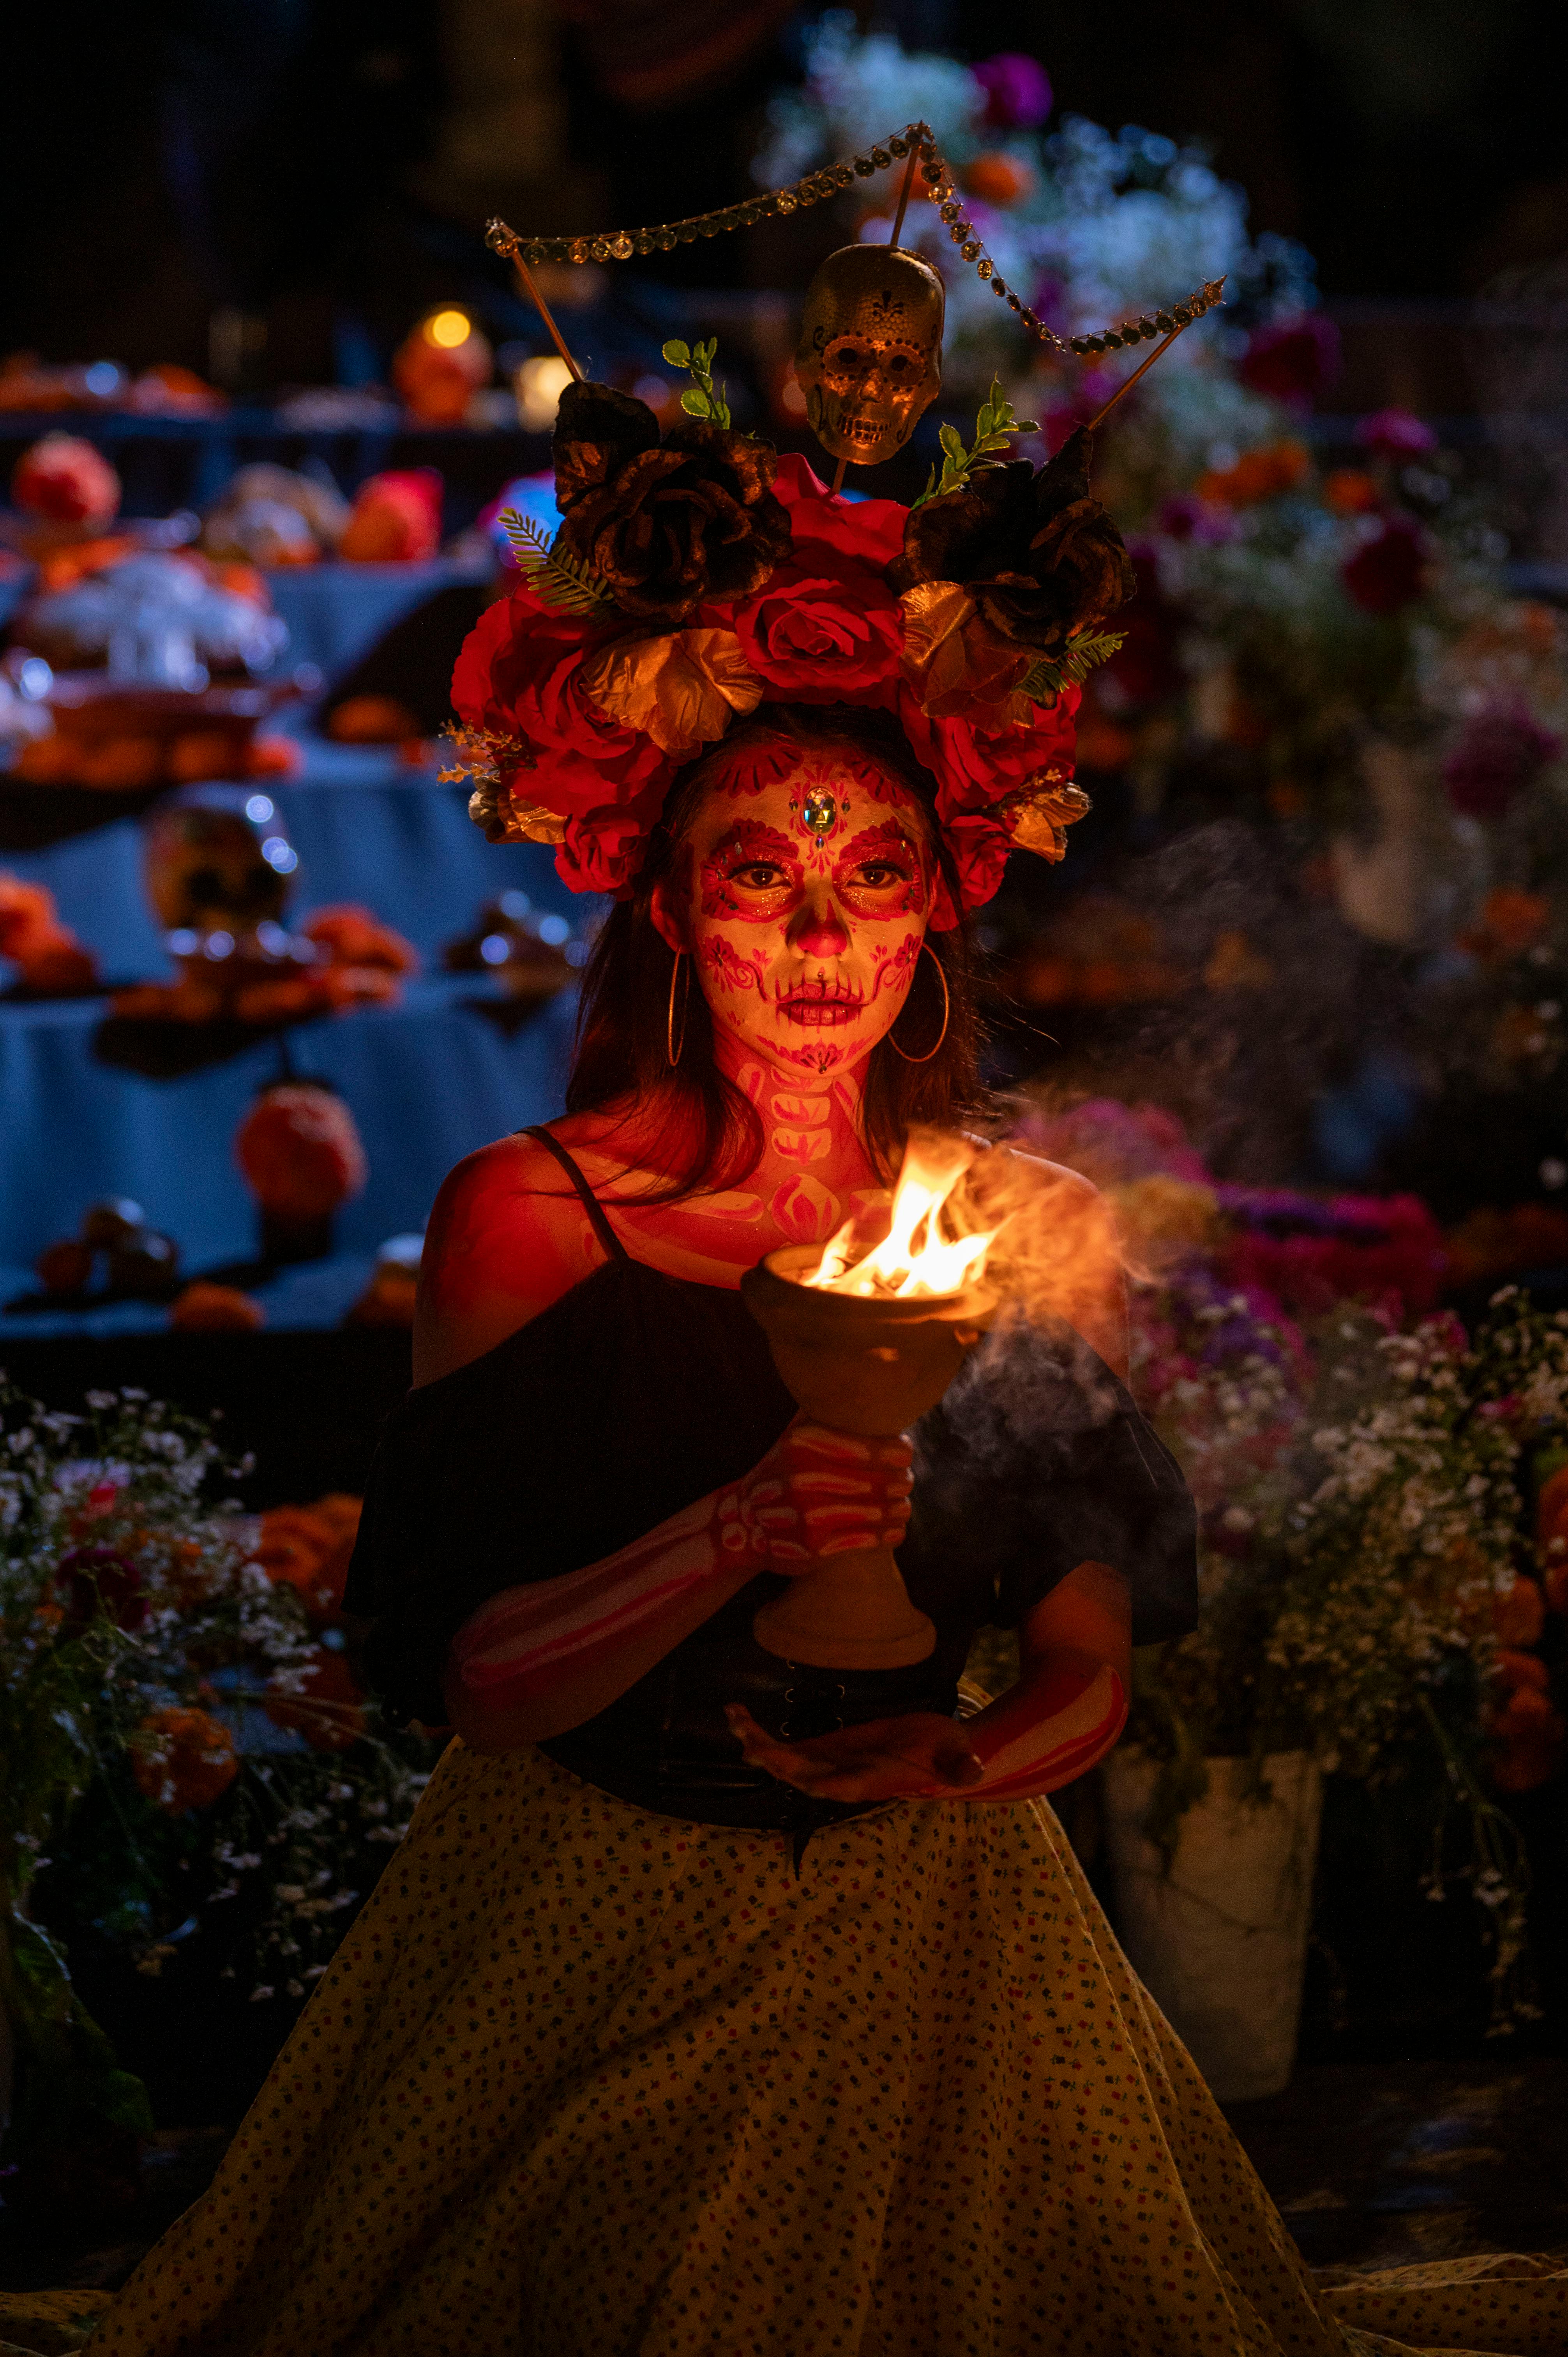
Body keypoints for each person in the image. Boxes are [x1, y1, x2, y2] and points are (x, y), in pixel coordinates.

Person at [92, 387, 1567, 2357]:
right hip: (579, 1916)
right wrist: (728, 1531)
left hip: (944, 1929)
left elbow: (1087, 1662)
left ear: (937, 912)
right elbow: (479, 1680)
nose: (812, 933)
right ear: (674, 912)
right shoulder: (531, 1217)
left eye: (867, 873)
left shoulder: (1018, 1223)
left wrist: (955, 1753)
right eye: (756, 876)